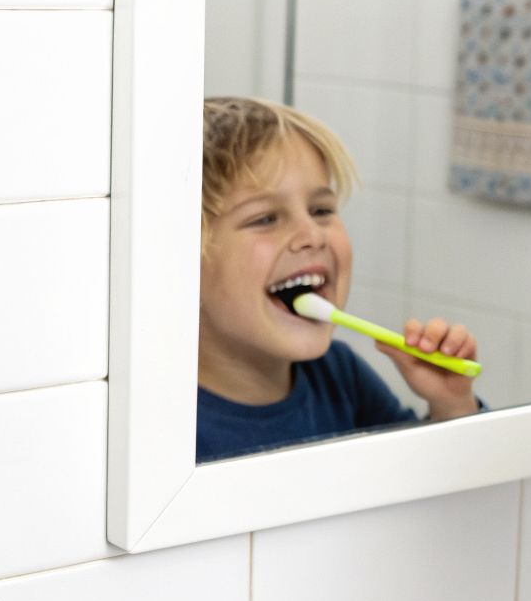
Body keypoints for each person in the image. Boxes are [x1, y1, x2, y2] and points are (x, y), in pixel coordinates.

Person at [197, 97, 481, 462]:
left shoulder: (338, 375)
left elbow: (420, 497)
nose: (312, 235)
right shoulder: (161, 424)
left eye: (321, 210)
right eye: (265, 218)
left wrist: (452, 406)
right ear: (182, 266)